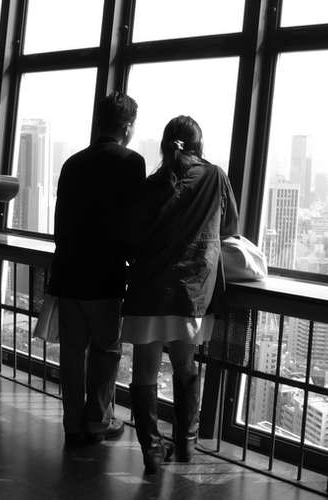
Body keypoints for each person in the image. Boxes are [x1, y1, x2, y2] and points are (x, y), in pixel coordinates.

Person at [121, 116, 238, 473]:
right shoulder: (215, 177)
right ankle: (186, 443)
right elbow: (230, 226)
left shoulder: (151, 184)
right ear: (199, 145)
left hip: (148, 289)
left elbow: (132, 236)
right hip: (190, 291)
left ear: (165, 145)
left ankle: (152, 452)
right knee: (185, 366)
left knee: (144, 372)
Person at [48, 91, 146, 446]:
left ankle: (73, 423)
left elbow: (60, 225)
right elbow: (133, 223)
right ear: (128, 127)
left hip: (68, 273)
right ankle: (97, 421)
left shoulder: (72, 164)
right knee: (105, 352)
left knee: (72, 353)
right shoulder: (132, 163)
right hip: (106, 276)